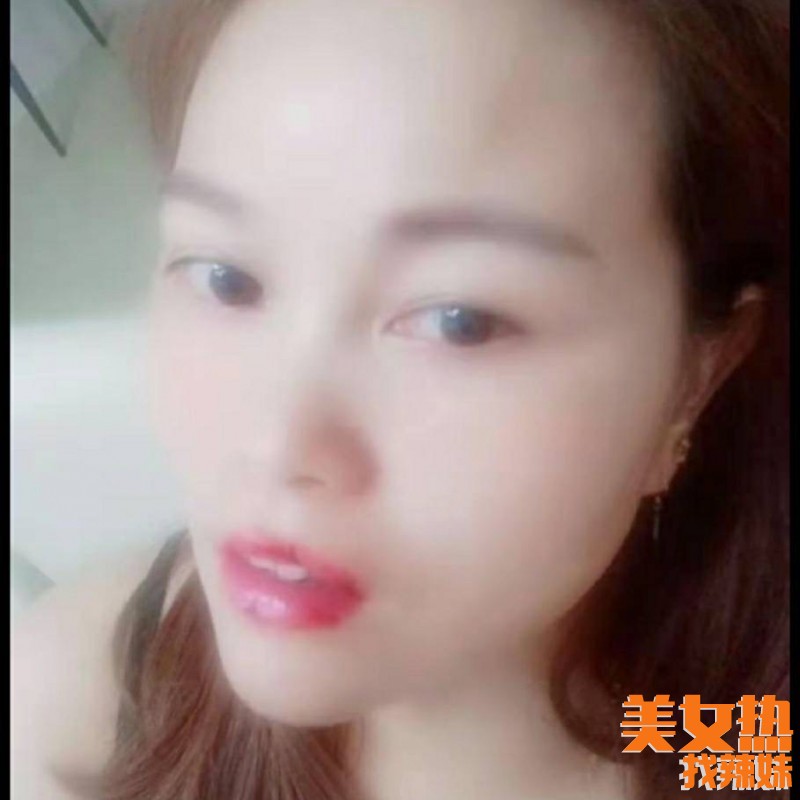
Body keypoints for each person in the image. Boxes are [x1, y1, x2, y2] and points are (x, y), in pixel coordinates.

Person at [12, 0, 789, 798]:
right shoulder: (72, 706)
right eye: (225, 277)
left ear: (697, 376)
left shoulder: (751, 748)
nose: (274, 445)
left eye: (460, 322)